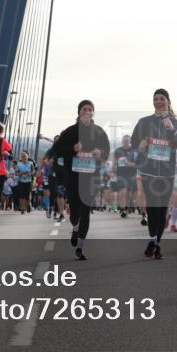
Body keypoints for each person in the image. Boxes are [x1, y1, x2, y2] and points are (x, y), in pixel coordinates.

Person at [131, 89, 177, 260]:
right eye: (155, 99)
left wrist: (172, 130)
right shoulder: (144, 122)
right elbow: (134, 143)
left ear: (168, 101)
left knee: (162, 210)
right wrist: (140, 145)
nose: (158, 101)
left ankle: (155, 243)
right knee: (152, 208)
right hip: (148, 171)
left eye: (161, 99)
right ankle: (154, 242)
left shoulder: (175, 123)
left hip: (167, 173)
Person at [47, 100, 111, 261]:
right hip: (73, 176)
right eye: (84, 109)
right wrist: (72, 149)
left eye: (90, 109)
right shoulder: (70, 131)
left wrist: (100, 153)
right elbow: (56, 149)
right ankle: (75, 227)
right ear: (79, 112)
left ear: (93, 113)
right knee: (75, 211)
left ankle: (80, 247)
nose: (87, 111)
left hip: (92, 177)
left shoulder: (99, 132)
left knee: (85, 210)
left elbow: (107, 152)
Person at [113, 135, 139, 218]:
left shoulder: (134, 151)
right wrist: (114, 168)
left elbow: (138, 163)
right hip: (121, 174)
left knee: (128, 194)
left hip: (131, 174)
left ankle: (126, 209)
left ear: (130, 141)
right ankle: (122, 209)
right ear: (122, 141)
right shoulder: (118, 150)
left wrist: (130, 164)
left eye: (127, 141)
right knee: (122, 191)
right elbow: (115, 162)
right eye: (124, 141)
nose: (125, 143)